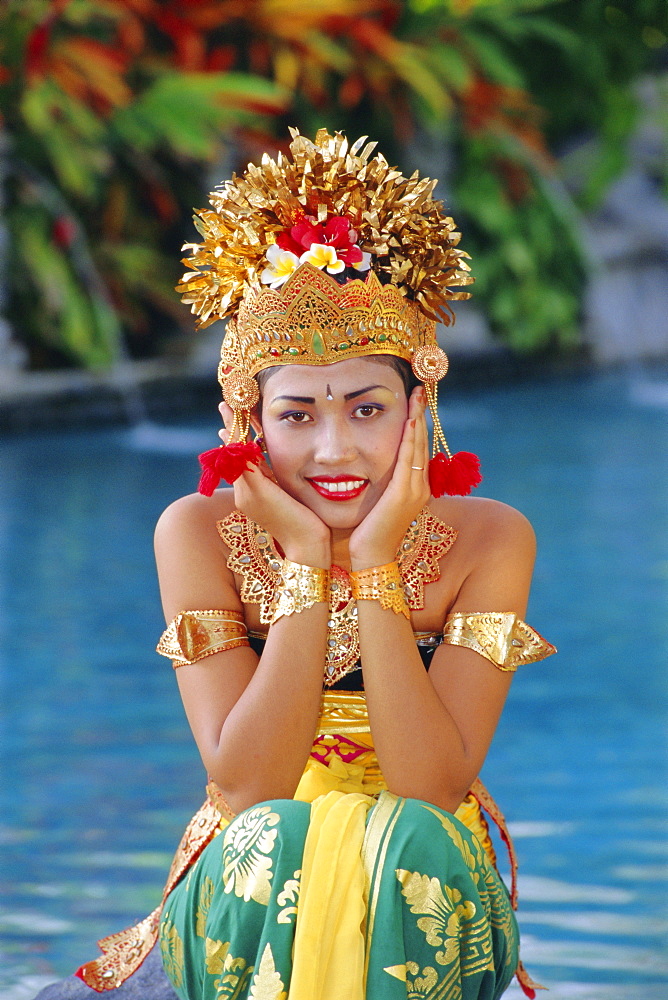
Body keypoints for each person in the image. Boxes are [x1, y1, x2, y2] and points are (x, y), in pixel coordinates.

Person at [74, 129, 555, 1000]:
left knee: (406, 840)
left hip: (429, 869)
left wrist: (372, 565)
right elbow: (247, 785)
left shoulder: (490, 539)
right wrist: (303, 560)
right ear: (246, 419)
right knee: (280, 837)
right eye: (297, 415)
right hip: (251, 881)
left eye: (367, 409)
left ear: (421, 404)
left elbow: (432, 787)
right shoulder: (196, 532)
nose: (336, 449)